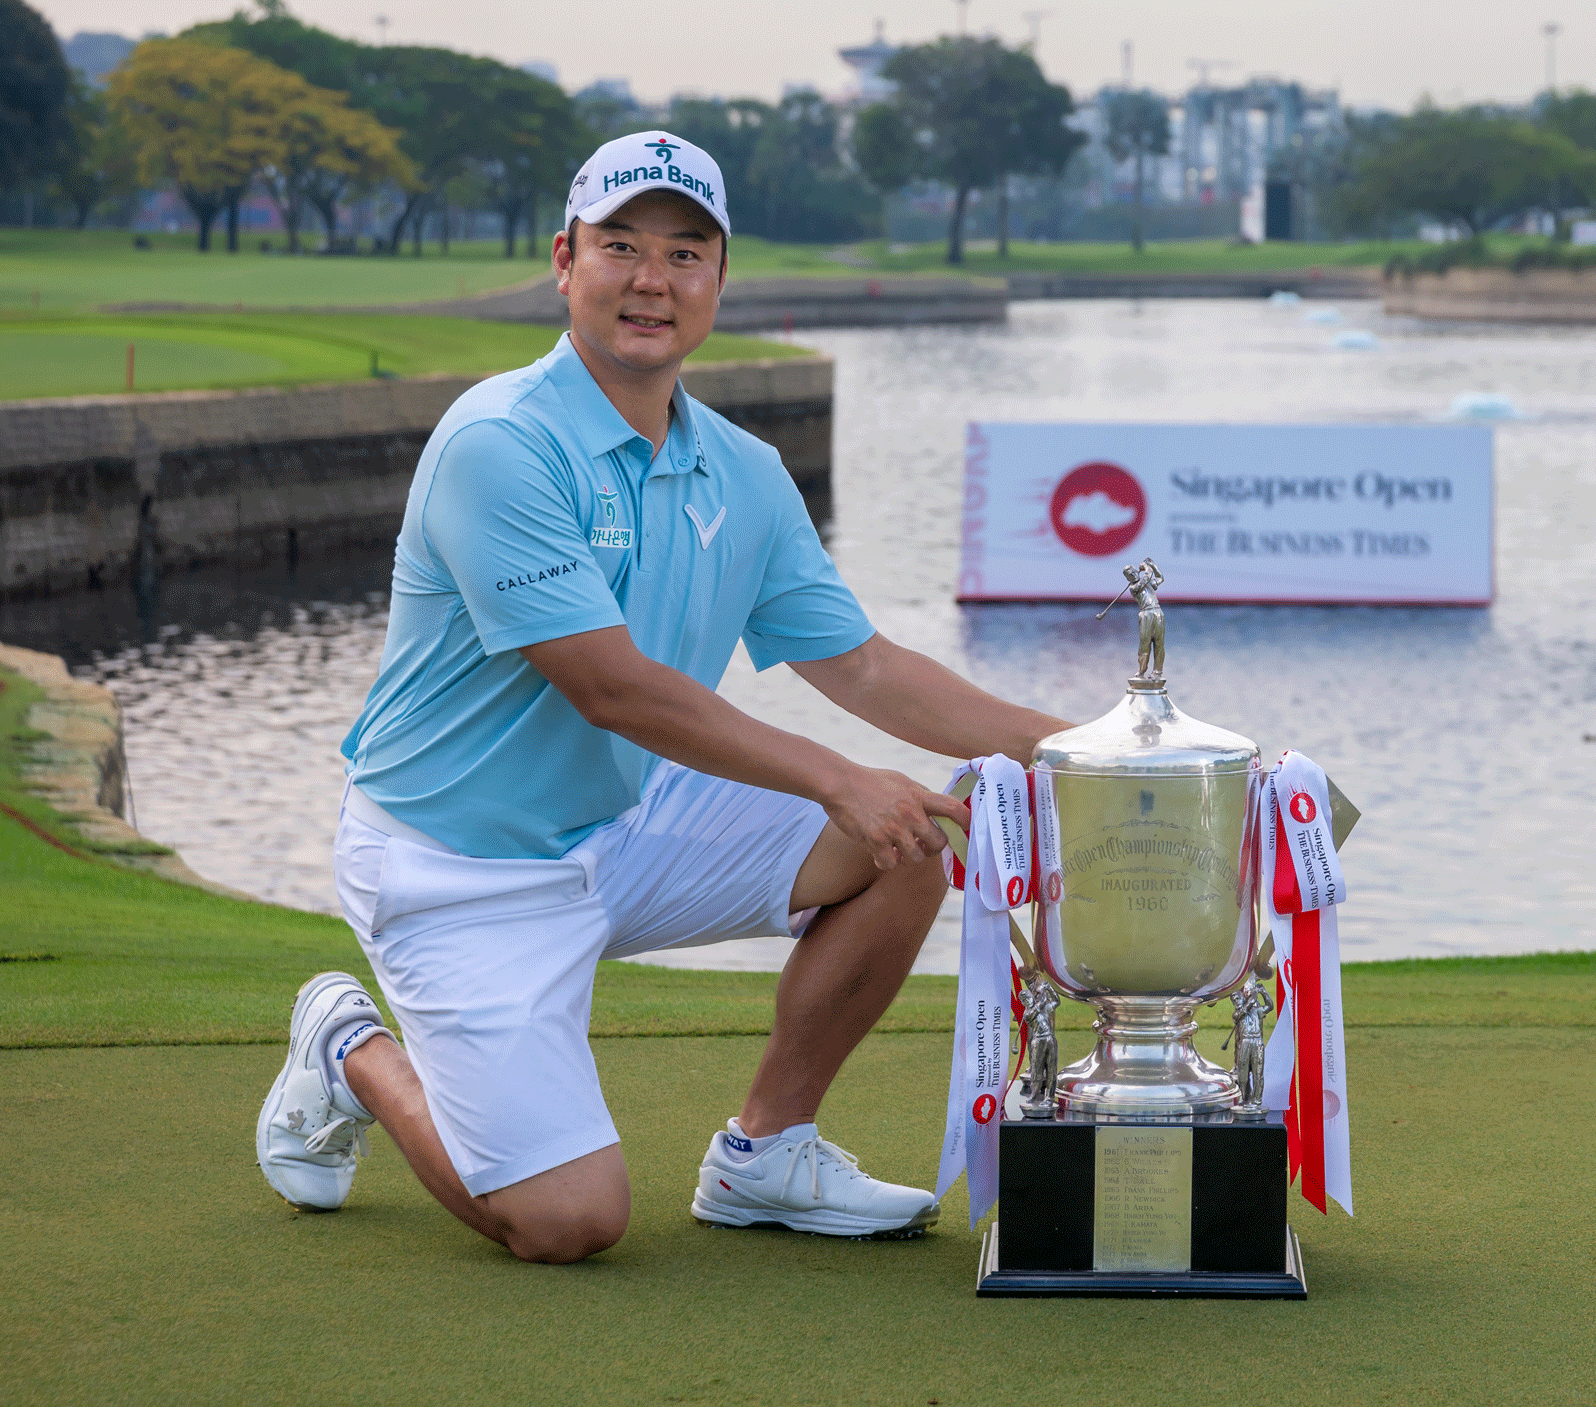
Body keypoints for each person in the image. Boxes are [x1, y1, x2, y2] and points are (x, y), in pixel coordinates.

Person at [253, 131, 1067, 1264]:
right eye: (621, 246)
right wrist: (838, 778)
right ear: (564, 261)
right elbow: (611, 687)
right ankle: (349, 1046)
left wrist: (1087, 747)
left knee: (911, 840)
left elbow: (866, 668)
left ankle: (764, 1153)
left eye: (686, 253)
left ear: (719, 280)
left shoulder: (742, 469)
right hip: (457, 865)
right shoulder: (500, 442)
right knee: (567, 1222)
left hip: (628, 821)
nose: (653, 279)